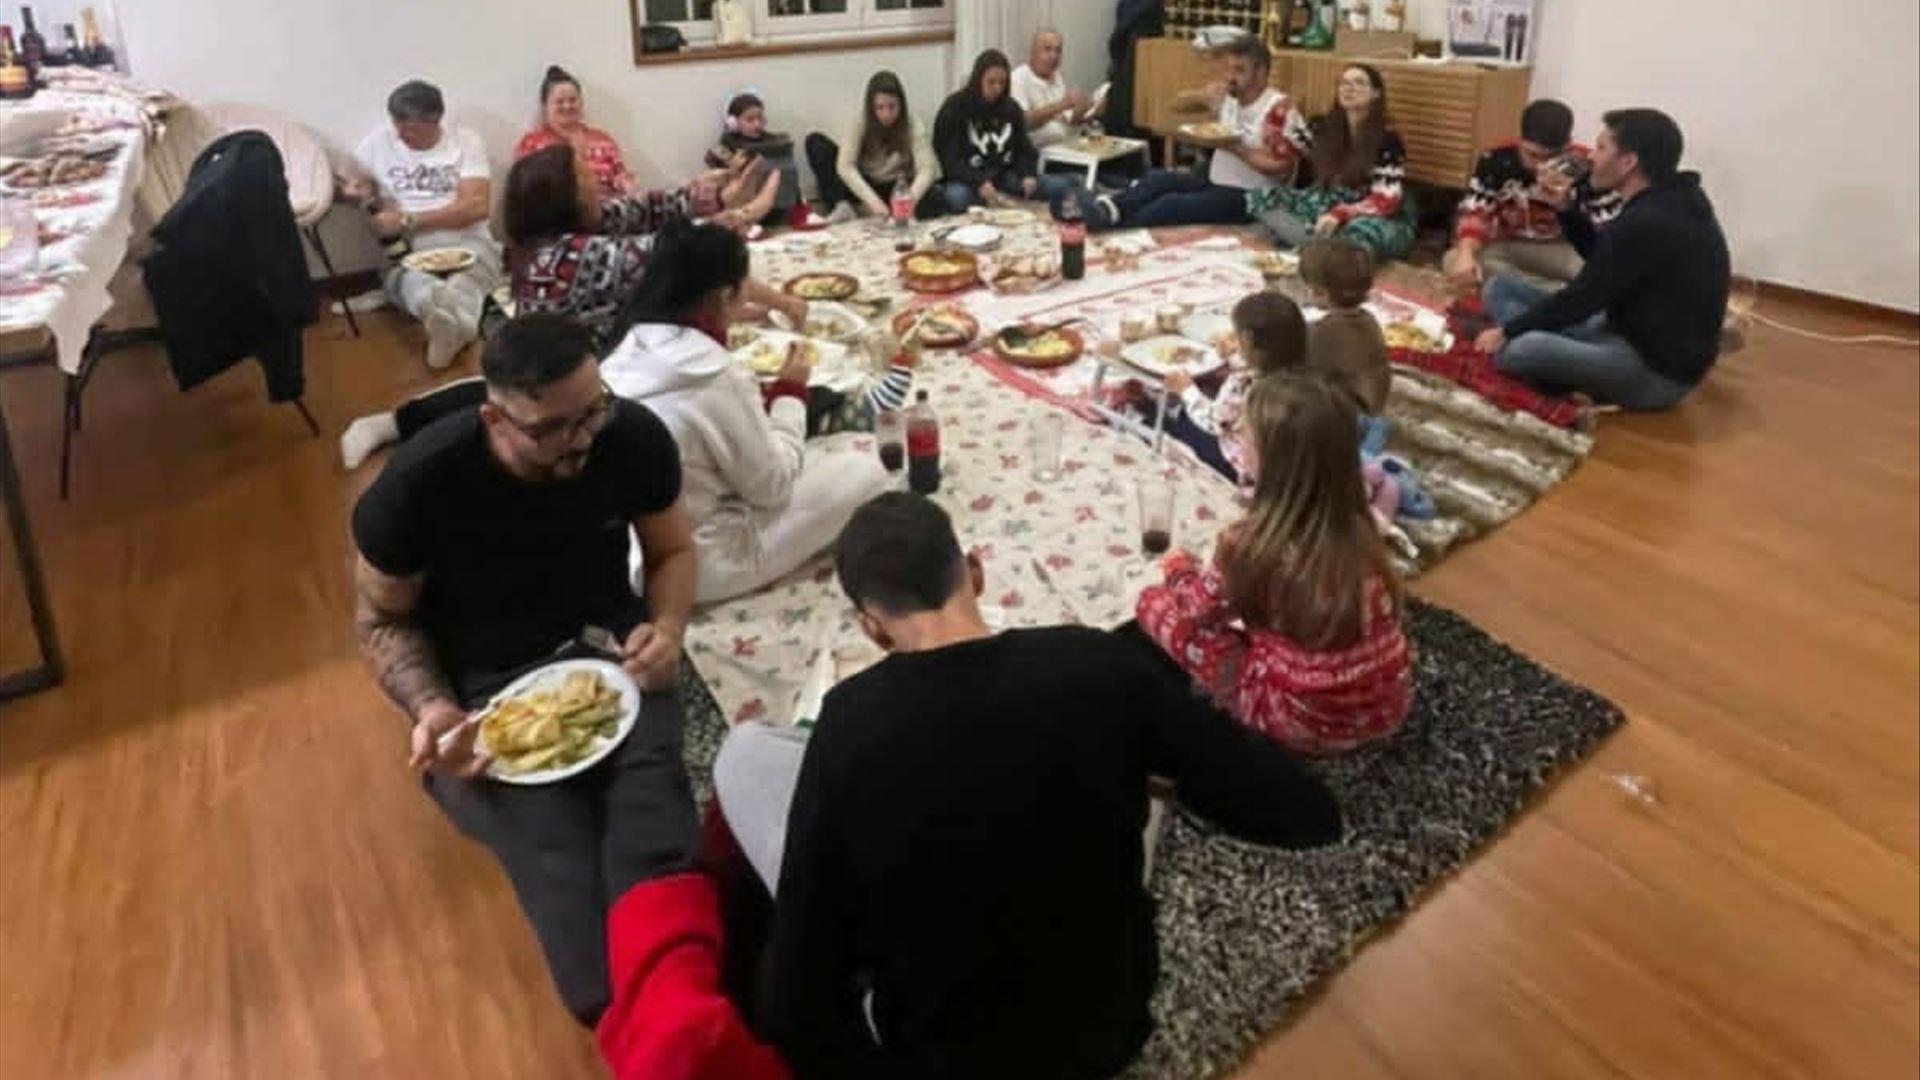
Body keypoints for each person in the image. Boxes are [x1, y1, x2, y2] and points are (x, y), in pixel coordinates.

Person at [712, 492, 1343, 1079]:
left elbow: (795, 994)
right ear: (976, 572)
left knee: (745, 754)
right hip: (1107, 1030)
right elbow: (1304, 813)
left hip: (943, 1055)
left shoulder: (849, 723)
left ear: (871, 627)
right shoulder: (1096, 661)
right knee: (1126, 778)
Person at [349, 313, 701, 1025]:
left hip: (610, 651)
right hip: (485, 688)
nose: (582, 439)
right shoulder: (417, 486)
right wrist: (432, 711)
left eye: (593, 412)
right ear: (495, 418)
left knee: (653, 826)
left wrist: (665, 628)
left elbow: (672, 551)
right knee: (559, 861)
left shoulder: (628, 437)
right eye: (552, 429)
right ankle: (625, 1020)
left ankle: (682, 1009)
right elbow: (381, 620)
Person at [336, 147, 806, 470]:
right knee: (487, 408)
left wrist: (715, 195)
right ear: (561, 197)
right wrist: (747, 213)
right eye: (584, 179)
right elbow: (679, 256)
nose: (596, 182)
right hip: (575, 380)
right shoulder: (565, 257)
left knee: (488, 395)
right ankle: (391, 425)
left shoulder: (580, 222)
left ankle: (391, 423)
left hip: (589, 351)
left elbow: (649, 209)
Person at [601, 222, 898, 605]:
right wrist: (790, 392)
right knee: (874, 463)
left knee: (803, 446)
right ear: (724, 295)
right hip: (698, 562)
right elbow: (772, 487)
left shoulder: (623, 349)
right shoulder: (712, 375)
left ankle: (821, 421)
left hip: (634, 552)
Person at [1136, 371, 1413, 754]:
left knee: (1152, 604)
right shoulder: (1363, 526)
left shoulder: (1247, 543)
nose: (1236, 439)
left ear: (1269, 458)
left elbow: (1198, 612)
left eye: (1243, 433)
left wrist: (1178, 571)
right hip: (1386, 709)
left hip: (1297, 720)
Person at [1474, 108, 1731, 411]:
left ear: (1628, 162)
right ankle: (1557, 354)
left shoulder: (1652, 219)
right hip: (1620, 327)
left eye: (1601, 147)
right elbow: (1605, 259)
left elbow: (1584, 297)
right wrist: (1566, 209)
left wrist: (1507, 331)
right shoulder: (1666, 200)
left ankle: (1552, 362)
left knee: (1519, 351)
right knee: (1499, 288)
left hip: (1653, 370)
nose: (1592, 157)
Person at [1058, 33, 1303, 231]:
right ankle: (1107, 208)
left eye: (1239, 70)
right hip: (1215, 183)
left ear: (1261, 72)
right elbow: (1175, 105)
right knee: (1158, 179)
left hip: (1253, 198)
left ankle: (1105, 222)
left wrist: (1235, 148)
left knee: (1171, 204)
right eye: (1229, 69)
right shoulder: (1229, 97)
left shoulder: (1278, 110)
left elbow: (1281, 168)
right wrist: (1202, 96)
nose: (1230, 77)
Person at [343, 79, 501, 370]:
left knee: (473, 273)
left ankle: (452, 322)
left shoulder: (465, 141)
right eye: (397, 125)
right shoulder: (378, 143)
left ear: (436, 120)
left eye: (411, 129)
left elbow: (476, 207)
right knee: (406, 278)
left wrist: (409, 220)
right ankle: (441, 316)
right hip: (407, 248)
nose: (401, 135)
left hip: (466, 240)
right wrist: (356, 191)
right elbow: (350, 182)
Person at [1442, 99, 1622, 292]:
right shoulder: (1496, 159)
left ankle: (1544, 293)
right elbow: (1474, 212)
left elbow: (1609, 236)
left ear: (1568, 147)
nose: (1541, 166)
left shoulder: (1590, 167)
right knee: (1455, 260)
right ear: (1520, 141)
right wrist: (1466, 252)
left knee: (1607, 272)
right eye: (1532, 155)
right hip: (1510, 245)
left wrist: (1566, 205)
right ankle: (1558, 293)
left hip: (1565, 249)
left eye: (1552, 157)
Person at [1249, 64, 1415, 262]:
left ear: (1376, 94)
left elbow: (1385, 200)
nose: (1349, 88)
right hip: (1330, 201)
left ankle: (1314, 247)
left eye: (1359, 83)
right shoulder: (1325, 127)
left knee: (1358, 232)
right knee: (1263, 196)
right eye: (1344, 83)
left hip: (1374, 212)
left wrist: (1340, 214)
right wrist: (1278, 117)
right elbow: (1285, 148)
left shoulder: (1388, 139)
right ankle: (1318, 248)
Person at [1161, 290, 1309, 487]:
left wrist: (1186, 390)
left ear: (1247, 339)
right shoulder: (1303, 372)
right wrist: (1235, 356)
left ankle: (1142, 413)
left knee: (1176, 419)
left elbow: (1214, 422)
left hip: (1237, 463)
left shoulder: (1244, 382)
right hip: (1284, 461)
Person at [932, 49, 1073, 212]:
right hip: (968, 181)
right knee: (957, 197)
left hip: (1005, 177)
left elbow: (1024, 149)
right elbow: (950, 161)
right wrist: (978, 181)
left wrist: (1028, 174)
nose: (997, 88)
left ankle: (1006, 197)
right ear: (978, 80)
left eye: (1002, 82)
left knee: (1065, 184)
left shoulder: (1011, 108)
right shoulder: (954, 108)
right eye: (991, 82)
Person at [804, 71, 940, 224]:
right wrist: (873, 202)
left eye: (892, 107)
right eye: (880, 108)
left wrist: (908, 200)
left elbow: (927, 169)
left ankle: (894, 212)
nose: (886, 114)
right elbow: (845, 166)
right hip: (865, 184)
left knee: (937, 197)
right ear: (871, 107)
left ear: (901, 105)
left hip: (896, 187)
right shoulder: (860, 121)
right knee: (816, 143)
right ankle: (844, 206)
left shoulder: (912, 123)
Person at [1301, 237, 1391, 415]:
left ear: (1321, 293)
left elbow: (1300, 372)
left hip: (1347, 417)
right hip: (1373, 405)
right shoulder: (1369, 319)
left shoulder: (1322, 332)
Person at [515, 65, 635, 196]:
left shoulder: (603, 140)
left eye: (572, 100)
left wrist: (625, 183)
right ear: (545, 106)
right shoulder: (531, 144)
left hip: (606, 206)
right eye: (559, 102)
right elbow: (526, 191)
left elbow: (621, 175)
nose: (567, 106)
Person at [705, 91, 801, 225]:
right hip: (743, 210)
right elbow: (717, 183)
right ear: (734, 123)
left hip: (779, 210)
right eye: (750, 119)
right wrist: (732, 169)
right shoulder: (727, 145)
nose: (757, 124)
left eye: (760, 118)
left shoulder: (775, 142)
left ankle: (798, 210)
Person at [1010, 28, 1100, 151]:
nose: (1054, 56)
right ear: (1033, 52)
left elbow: (1064, 118)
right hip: (1038, 152)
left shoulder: (1056, 76)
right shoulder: (1018, 77)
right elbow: (1023, 122)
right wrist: (1063, 104)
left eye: (1058, 51)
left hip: (1065, 146)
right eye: (1047, 49)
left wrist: (1084, 111)